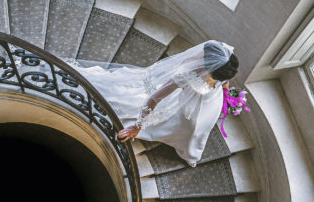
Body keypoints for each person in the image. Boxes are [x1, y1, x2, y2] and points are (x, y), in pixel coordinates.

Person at [69, 40, 238, 167]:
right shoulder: (187, 75)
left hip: (211, 102)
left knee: (200, 127)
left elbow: (225, 78)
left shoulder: (224, 55)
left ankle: (191, 153)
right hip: (188, 104)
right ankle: (191, 154)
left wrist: (225, 89)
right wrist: (137, 125)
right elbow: (154, 99)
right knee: (193, 126)